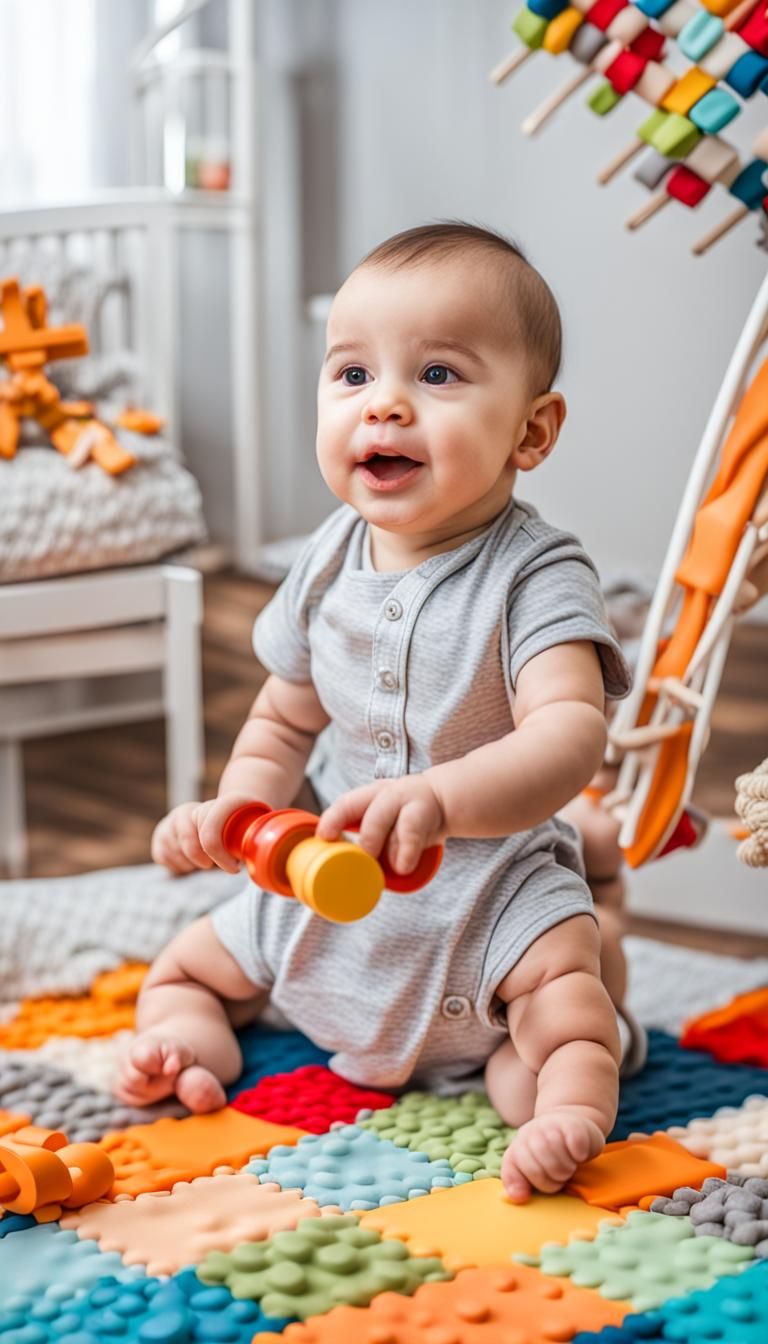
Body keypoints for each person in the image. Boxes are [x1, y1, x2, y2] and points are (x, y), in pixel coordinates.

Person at [115, 222, 645, 1203]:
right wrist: (238, 816)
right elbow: (281, 722)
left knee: (560, 1009)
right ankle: (182, 1052)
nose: (386, 404)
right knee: (186, 969)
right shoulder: (324, 560)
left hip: (489, 898)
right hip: (331, 886)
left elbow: (569, 733)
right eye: (352, 375)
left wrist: (443, 800)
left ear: (531, 431)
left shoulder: (537, 573)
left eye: (438, 376)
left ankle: (571, 1103)